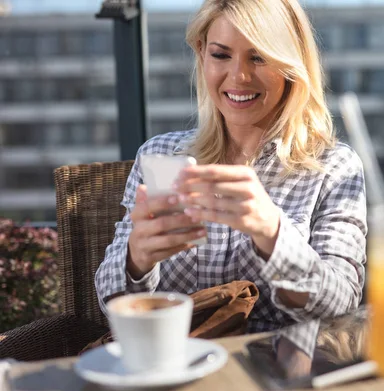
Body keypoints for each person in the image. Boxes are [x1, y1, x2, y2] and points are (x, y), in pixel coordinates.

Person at [95, 0, 367, 335]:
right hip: (175, 364)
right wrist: (136, 260)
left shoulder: (334, 167)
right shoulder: (161, 155)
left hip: (275, 372)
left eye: (258, 57)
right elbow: (110, 305)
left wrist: (272, 234)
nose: (238, 76)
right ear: (202, 55)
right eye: (221, 55)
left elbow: (342, 304)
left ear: (290, 66)